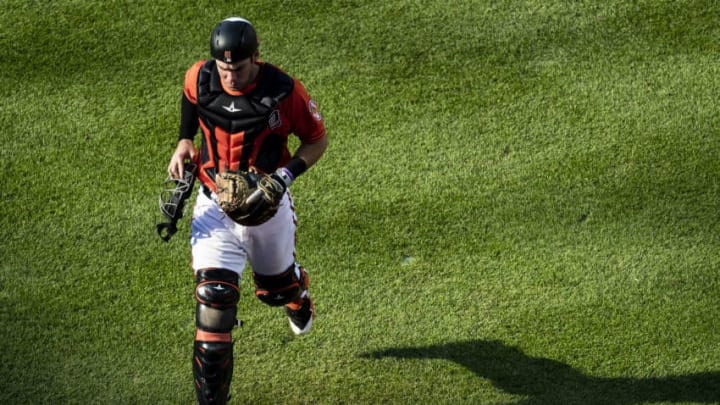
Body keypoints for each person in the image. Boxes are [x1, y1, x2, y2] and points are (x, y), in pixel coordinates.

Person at [166, 17, 328, 404]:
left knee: (275, 290)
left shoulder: (284, 91)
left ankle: (296, 293)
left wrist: (282, 179)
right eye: (224, 68)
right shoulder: (200, 77)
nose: (230, 75)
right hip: (213, 204)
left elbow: (316, 140)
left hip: (265, 209)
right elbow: (191, 100)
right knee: (214, 300)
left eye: (238, 67)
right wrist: (184, 140)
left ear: (256, 56)